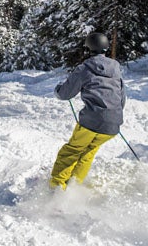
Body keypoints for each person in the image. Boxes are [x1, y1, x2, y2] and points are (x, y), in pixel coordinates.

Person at [49, 31, 126, 189]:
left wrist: (58, 89)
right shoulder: (116, 68)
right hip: (113, 124)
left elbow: (65, 94)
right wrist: (111, 115)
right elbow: (122, 96)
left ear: (89, 47)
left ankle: (56, 188)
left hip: (92, 121)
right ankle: (74, 186)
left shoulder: (85, 68)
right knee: (88, 152)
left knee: (71, 151)